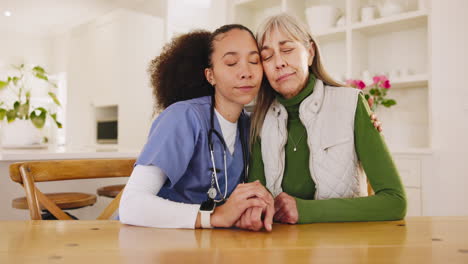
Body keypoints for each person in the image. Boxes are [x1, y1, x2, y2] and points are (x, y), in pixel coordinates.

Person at [243, 13, 406, 226]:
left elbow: (394, 202)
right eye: (267, 57)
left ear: (309, 53)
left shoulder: (350, 104)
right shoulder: (259, 119)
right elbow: (257, 203)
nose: (279, 63)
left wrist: (306, 211)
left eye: (287, 50)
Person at [119, 25, 274, 231]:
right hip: (151, 242)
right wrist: (215, 216)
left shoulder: (250, 126)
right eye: (231, 62)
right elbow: (131, 205)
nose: (246, 72)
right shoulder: (183, 117)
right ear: (211, 76)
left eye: (254, 61)